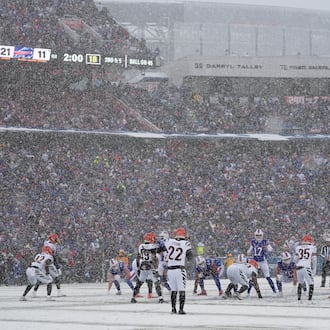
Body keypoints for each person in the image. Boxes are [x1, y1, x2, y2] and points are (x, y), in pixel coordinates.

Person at [131, 232, 167, 303]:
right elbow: (159, 253)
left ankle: (133, 297)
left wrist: (138, 268)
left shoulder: (141, 246)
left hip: (143, 266)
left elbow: (138, 257)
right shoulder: (153, 246)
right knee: (156, 282)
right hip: (150, 266)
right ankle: (160, 298)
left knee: (139, 283)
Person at [165, 227, 193, 314]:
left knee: (173, 290)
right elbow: (190, 257)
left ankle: (173, 309)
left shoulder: (169, 242)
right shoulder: (186, 243)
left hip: (170, 269)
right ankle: (181, 309)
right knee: (181, 290)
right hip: (179, 269)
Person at [32, 233, 65, 297]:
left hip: (42, 261)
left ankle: (34, 291)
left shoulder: (46, 243)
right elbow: (53, 257)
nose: (57, 240)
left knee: (41, 277)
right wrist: (57, 267)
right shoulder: (51, 246)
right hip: (48, 261)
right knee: (56, 276)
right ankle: (59, 292)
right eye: (56, 238)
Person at [247, 229, 276, 294]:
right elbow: (249, 250)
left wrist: (269, 249)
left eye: (260, 235)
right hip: (255, 262)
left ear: (262, 235)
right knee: (252, 278)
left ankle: (274, 291)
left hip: (263, 261)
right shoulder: (253, 242)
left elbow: (270, 249)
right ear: (255, 235)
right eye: (257, 235)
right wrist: (248, 252)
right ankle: (248, 292)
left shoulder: (265, 241)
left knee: (268, 277)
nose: (258, 237)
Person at [294, 234, 317, 302]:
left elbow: (295, 259)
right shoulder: (312, 247)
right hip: (306, 266)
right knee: (311, 283)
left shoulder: (298, 247)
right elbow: (314, 259)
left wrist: (295, 265)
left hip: (299, 267)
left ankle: (299, 299)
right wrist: (314, 268)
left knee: (300, 283)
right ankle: (309, 300)